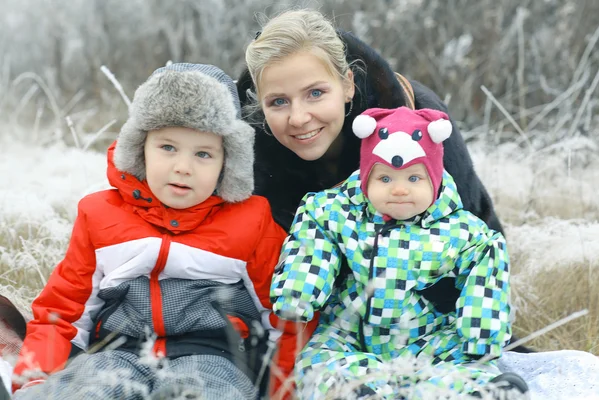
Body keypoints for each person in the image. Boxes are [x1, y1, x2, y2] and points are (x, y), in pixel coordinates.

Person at [237, 7, 533, 353]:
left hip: (423, 321)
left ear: (347, 83)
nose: (299, 117)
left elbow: (476, 234)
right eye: (278, 102)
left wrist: (456, 332)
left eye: (315, 93)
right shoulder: (247, 150)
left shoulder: (419, 126)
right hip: (319, 332)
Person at [10, 63, 302, 400]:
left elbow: (286, 314)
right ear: (140, 148)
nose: (183, 166)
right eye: (167, 147)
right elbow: (63, 312)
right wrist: (34, 379)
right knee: (87, 391)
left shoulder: (250, 220)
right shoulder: (99, 215)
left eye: (203, 154)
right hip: (115, 354)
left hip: (213, 358)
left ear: (227, 163)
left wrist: (285, 389)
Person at [271, 106, 529, 399]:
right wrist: (297, 294)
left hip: (427, 339)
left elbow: (487, 279)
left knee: (461, 362)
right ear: (367, 178)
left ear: (434, 179)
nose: (399, 190)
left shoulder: (463, 232)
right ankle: (356, 392)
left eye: (414, 179)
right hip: (351, 337)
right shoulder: (336, 213)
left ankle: (473, 391)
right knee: (320, 363)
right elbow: (312, 247)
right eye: (385, 179)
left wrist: (482, 334)